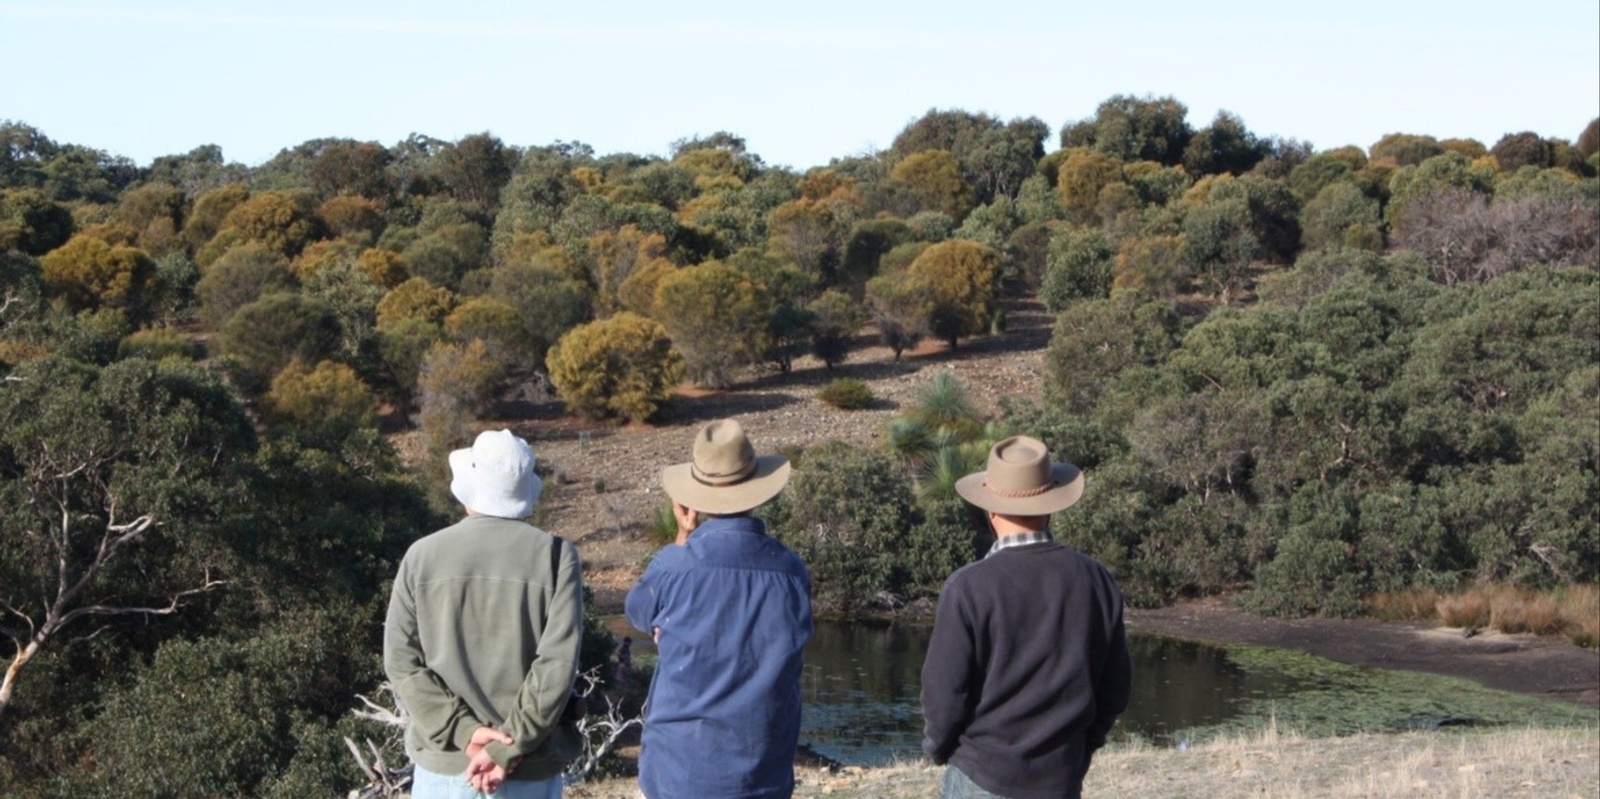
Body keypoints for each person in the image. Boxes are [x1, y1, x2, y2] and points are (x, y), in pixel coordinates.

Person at [921, 435, 1132, 799]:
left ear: (990, 509)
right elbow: (1114, 690)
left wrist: (940, 750)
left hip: (982, 775)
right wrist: (1079, 751)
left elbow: (944, 697)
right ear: (1050, 506)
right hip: (1060, 779)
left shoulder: (968, 587)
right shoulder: (1096, 579)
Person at [385, 429, 583, 798]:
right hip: (531, 769)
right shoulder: (556, 557)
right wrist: (508, 746)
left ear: (469, 486)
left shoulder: (421, 556)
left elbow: (402, 663)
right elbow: (557, 665)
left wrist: (465, 731)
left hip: (446, 768)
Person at [625, 419, 813, 799]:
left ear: (696, 497)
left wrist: (683, 537)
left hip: (678, 773)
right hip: (764, 773)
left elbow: (638, 611)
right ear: (757, 490)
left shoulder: (674, 566)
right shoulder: (791, 570)